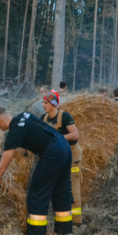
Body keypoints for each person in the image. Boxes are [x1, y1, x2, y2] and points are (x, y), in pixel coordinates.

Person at [0, 106, 73, 235]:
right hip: (64, 146)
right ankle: (64, 231)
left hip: (53, 152)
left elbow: (2, 168)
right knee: (61, 190)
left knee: (36, 193)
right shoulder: (25, 115)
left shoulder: (14, 132)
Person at [41, 91, 83, 226]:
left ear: (53, 104)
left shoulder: (64, 116)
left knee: (72, 186)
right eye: (43, 102)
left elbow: (75, 135)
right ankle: (60, 217)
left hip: (72, 155)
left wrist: (58, 138)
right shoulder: (44, 118)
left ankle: (76, 221)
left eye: (46, 103)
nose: (43, 105)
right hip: (57, 156)